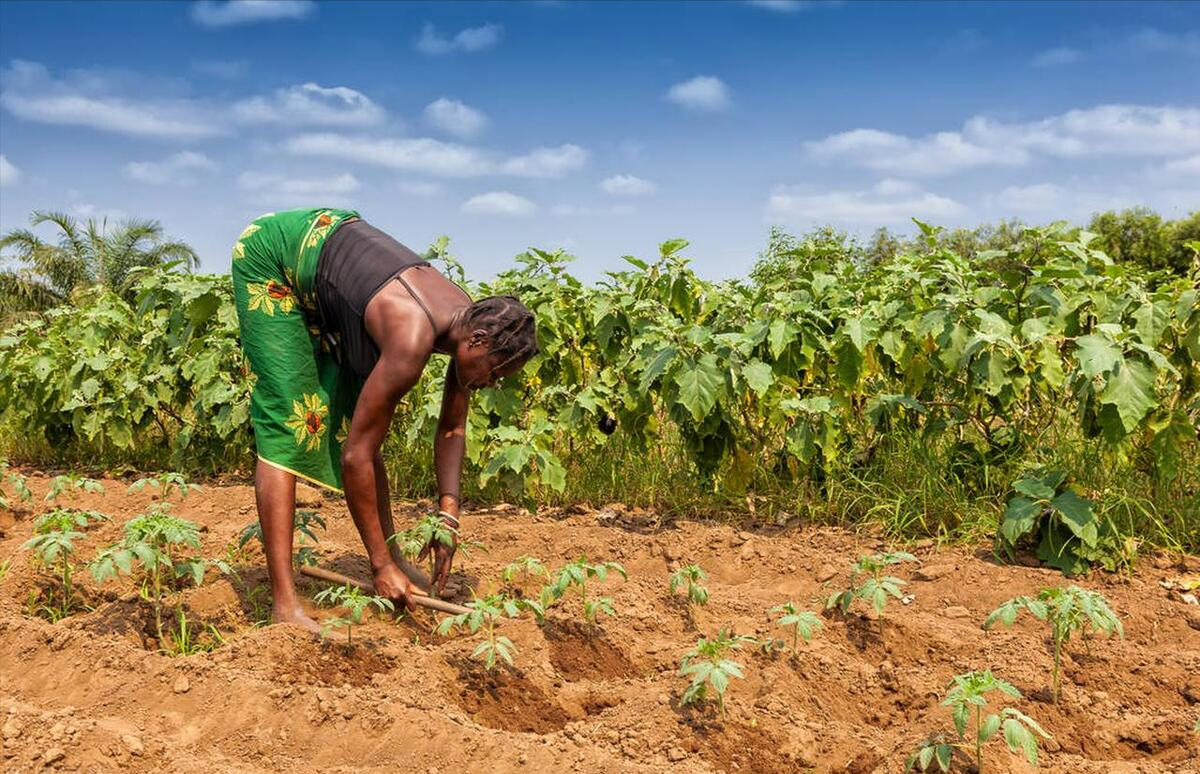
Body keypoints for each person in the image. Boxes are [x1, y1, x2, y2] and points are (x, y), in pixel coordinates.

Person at [230, 208, 538, 631]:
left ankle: (394, 560)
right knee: (291, 423)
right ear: (478, 341)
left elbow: (451, 427)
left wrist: (448, 514)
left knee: (359, 418)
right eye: (497, 371)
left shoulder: (466, 319)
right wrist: (376, 567)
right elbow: (356, 457)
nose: (493, 383)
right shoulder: (412, 338)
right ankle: (285, 603)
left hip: (330, 263)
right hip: (274, 256)